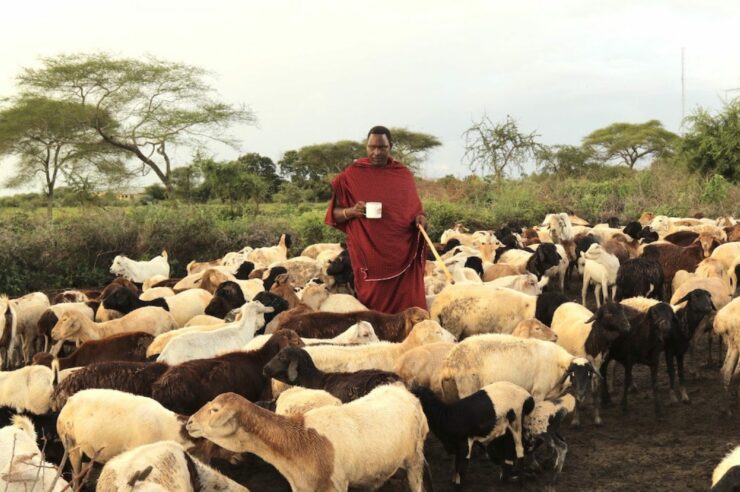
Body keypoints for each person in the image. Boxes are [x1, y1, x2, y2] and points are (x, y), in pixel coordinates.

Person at [325, 126, 428, 314]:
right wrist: (352, 211)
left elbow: (416, 210)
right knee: (374, 310)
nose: (377, 152)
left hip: (403, 253)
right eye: (372, 147)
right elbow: (334, 214)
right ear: (366, 146)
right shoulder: (351, 175)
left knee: (410, 306)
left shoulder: (402, 174)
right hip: (369, 255)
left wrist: (420, 219)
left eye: (382, 147)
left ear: (391, 146)